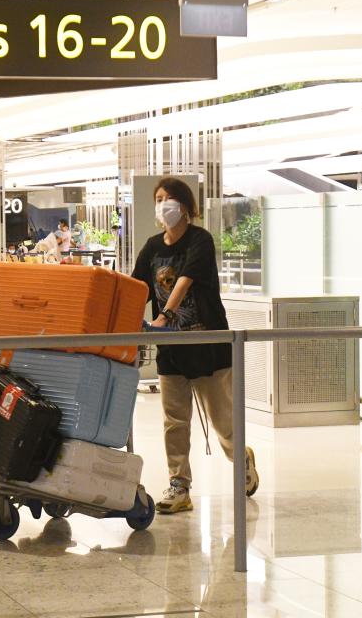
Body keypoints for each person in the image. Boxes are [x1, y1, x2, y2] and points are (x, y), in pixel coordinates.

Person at [131, 177, 260, 514]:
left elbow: (185, 281)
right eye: (158, 199)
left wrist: (165, 317)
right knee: (174, 421)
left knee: (223, 422)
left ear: (186, 206)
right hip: (172, 351)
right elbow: (136, 286)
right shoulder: (152, 247)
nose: (163, 204)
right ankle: (179, 484)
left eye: (170, 198)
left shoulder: (199, 240)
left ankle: (240, 458)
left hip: (207, 346)